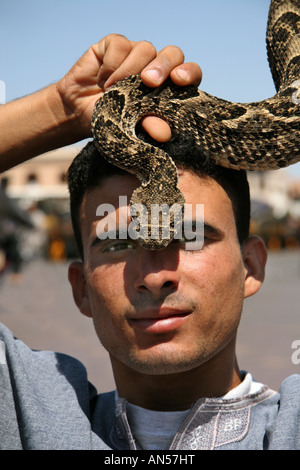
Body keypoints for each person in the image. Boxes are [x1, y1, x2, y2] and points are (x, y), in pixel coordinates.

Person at [0, 35, 299, 451]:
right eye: (121, 243)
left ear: (251, 265)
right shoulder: (28, 407)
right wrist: (60, 110)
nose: (156, 275)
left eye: (190, 236)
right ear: (80, 286)